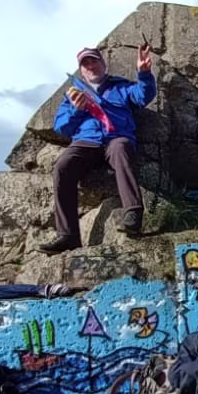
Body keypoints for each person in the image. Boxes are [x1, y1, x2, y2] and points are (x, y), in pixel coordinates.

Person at [43, 41, 156, 253]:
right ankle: (67, 236)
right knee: (62, 166)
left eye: (94, 62)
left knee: (121, 149)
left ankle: (133, 214)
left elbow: (144, 96)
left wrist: (144, 73)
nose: (91, 67)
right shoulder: (72, 95)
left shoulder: (121, 87)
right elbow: (61, 128)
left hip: (116, 138)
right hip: (86, 142)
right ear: (81, 71)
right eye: (85, 64)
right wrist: (76, 110)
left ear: (103, 64)